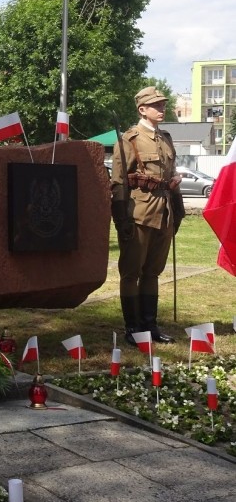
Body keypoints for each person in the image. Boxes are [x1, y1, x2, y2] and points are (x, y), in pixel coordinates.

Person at [110, 86, 185, 346]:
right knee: (131, 273)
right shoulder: (129, 140)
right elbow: (119, 183)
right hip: (138, 214)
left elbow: (169, 176)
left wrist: (177, 206)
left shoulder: (166, 138)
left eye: (163, 105)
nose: (162, 109)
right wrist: (121, 220)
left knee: (152, 272)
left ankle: (150, 325)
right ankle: (132, 328)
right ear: (142, 109)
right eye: (156, 105)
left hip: (164, 213)